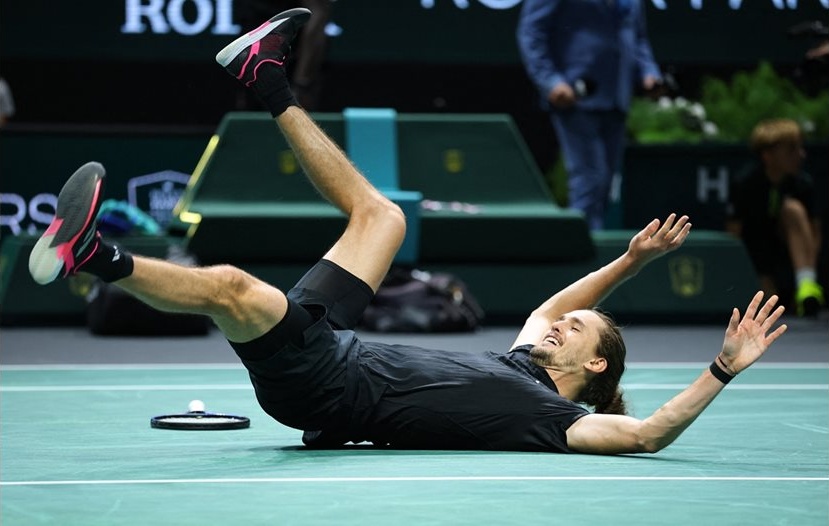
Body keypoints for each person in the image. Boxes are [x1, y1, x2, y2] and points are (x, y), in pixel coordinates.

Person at [29, 9, 788, 454]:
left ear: (593, 367)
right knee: (382, 216)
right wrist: (627, 261)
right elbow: (555, 305)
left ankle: (89, 253)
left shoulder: (554, 419)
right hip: (337, 342)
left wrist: (721, 369)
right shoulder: (522, 360)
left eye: (578, 331)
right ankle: (264, 76)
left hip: (326, 387)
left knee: (232, 287)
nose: (562, 323)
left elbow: (648, 434)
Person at [516, 0, 662, 230]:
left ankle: (591, 241)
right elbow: (531, 31)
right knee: (590, 180)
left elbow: (636, 34)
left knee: (605, 184)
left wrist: (649, 71)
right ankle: (584, 247)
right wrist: (550, 81)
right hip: (576, 95)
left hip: (617, 95)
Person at [726, 119, 825, 317]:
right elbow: (734, 233)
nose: (801, 155)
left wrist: (808, 272)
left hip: (789, 257)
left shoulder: (803, 184)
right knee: (769, 309)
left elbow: (814, 233)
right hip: (757, 260)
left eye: (800, 148)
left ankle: (806, 285)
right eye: (791, 150)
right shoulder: (745, 184)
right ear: (768, 155)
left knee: (793, 209)